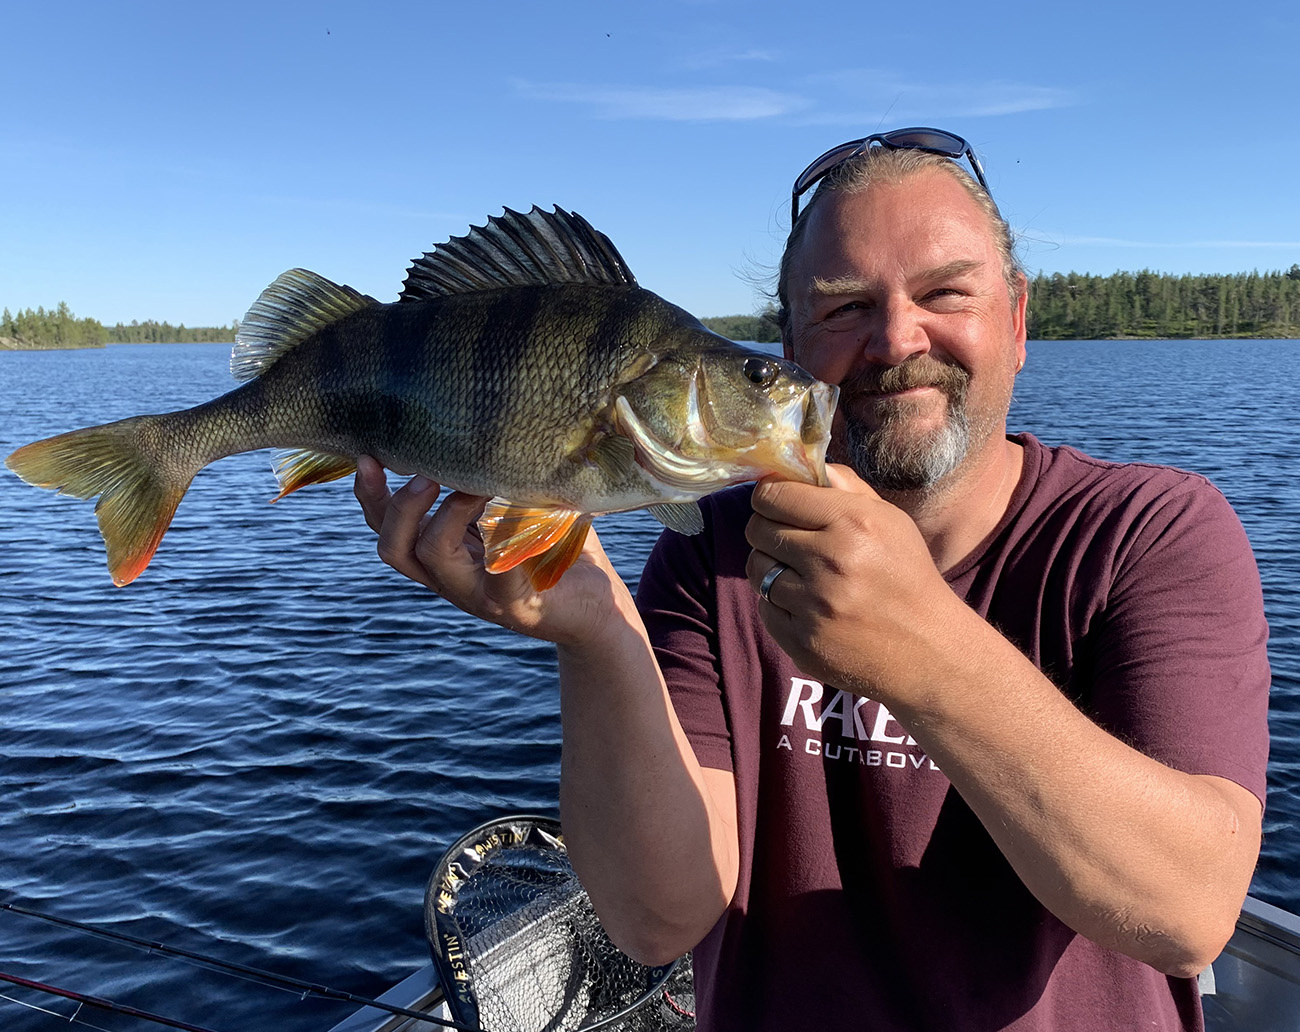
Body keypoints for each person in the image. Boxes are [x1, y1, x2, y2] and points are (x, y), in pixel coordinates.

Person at [353, 129, 1271, 1031]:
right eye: (842, 309)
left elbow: (1187, 916)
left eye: (945, 292)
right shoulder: (712, 552)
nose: (895, 339)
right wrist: (595, 634)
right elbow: (655, 919)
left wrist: (923, 649)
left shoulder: (1150, 531)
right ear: (790, 343)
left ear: (1018, 321)